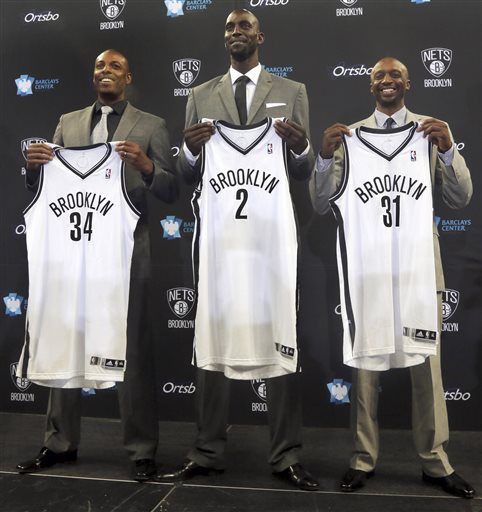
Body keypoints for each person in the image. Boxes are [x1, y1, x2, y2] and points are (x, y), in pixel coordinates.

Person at [157, 9, 318, 491]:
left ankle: (286, 454)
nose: (236, 32)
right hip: (220, 242)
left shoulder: (292, 91)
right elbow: (188, 174)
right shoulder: (200, 94)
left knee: (282, 339)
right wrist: (188, 151)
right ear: (223, 38)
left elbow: (304, 170)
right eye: (229, 27)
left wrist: (301, 148)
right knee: (211, 339)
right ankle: (206, 450)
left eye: (244, 26)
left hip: (272, 241)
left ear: (259, 36)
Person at [310, 57, 475, 499]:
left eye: (395, 75)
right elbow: (322, 203)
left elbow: (461, 198)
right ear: (371, 86)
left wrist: (448, 151)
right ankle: (362, 458)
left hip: (419, 268)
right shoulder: (350, 138)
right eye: (379, 76)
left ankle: (435, 462)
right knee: (365, 367)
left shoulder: (431, 131)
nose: (387, 81)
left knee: (427, 369)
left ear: (408, 83)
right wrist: (323, 160)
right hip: (368, 270)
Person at [16, 49, 178, 481]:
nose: (106, 72)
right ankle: (59, 442)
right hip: (71, 252)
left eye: (115, 67)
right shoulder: (67, 123)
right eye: (100, 67)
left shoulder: (151, 125)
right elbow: (43, 187)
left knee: (132, 352)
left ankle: (141, 450)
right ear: (93, 77)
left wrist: (147, 166)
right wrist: (32, 170)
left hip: (127, 254)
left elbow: (170, 189)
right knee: (64, 341)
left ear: (129, 77)